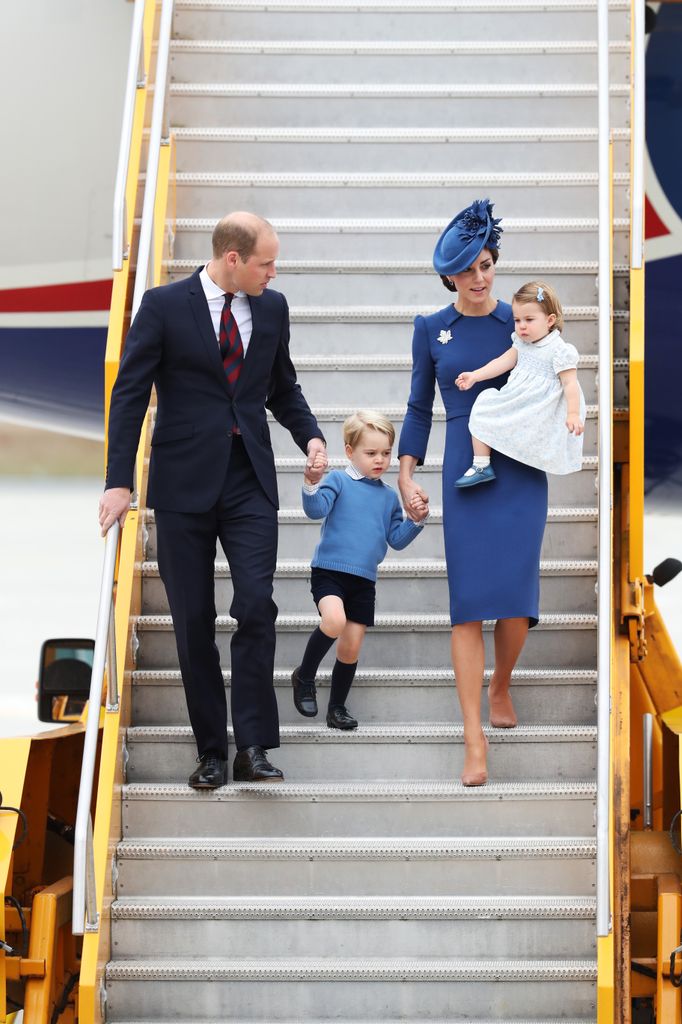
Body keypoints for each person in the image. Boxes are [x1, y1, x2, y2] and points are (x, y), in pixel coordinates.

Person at [98, 212, 327, 788]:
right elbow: (129, 395)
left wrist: (312, 437)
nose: (274, 273)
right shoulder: (162, 305)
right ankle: (211, 751)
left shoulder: (271, 309)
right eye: (265, 263)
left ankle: (252, 745)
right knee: (192, 619)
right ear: (232, 259)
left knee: (256, 605)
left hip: (248, 478)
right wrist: (119, 480)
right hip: (182, 485)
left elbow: (282, 386)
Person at [398, 199, 548, 787]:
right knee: (467, 610)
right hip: (464, 466)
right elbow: (418, 406)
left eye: (487, 265)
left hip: (520, 465)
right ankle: (473, 738)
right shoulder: (430, 329)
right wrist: (407, 471)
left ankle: (502, 683)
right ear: (449, 277)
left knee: (515, 601)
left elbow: (555, 376)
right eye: (468, 271)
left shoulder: (523, 319)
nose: (481, 279)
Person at [291, 410, 428, 730]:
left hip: (364, 581)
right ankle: (305, 676)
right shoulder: (339, 480)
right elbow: (315, 510)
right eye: (371, 453)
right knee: (334, 620)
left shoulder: (389, 498)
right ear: (350, 451)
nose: (380, 460)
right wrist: (312, 482)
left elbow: (396, 540)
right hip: (330, 572)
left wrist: (416, 520)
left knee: (351, 645)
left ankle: (336, 707)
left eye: (385, 453)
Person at [454, 279, 586, 486]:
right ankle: (481, 464)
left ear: (550, 320)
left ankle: (524, 454)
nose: (522, 326)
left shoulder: (559, 350)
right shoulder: (521, 343)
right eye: (517, 320)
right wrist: (475, 375)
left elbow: (570, 384)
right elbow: (503, 362)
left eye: (529, 320)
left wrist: (573, 414)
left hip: (541, 407)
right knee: (484, 403)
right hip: (518, 399)